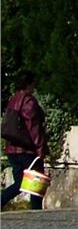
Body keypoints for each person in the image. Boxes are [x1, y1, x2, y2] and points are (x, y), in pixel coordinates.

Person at [2, 73, 47, 210]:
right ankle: (36, 210)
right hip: (26, 150)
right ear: (29, 84)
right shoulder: (29, 101)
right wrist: (40, 148)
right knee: (36, 179)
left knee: (20, 183)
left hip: (12, 148)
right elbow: (33, 127)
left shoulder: (13, 99)